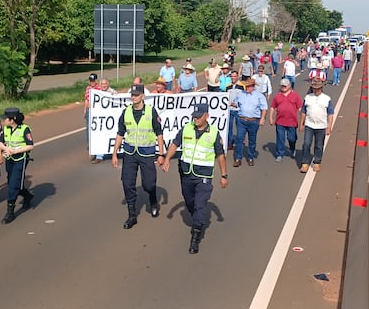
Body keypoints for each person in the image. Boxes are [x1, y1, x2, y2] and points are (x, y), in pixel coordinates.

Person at [163, 104, 228, 253]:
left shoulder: (213, 133)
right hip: (186, 173)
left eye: (199, 116)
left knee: (200, 205)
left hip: (203, 175)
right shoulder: (187, 128)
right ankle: (197, 218)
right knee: (189, 202)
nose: (196, 118)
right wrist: (167, 159)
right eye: (194, 115)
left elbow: (220, 155)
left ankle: (196, 236)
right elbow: (175, 144)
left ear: (207, 116)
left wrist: (224, 175)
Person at [111, 84, 165, 229]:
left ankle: (153, 200)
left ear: (143, 96)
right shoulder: (126, 112)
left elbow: (159, 133)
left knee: (149, 184)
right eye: (132, 94)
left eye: (136, 94)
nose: (133, 97)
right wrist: (115, 153)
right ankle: (132, 215)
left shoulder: (151, 112)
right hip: (129, 153)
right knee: (127, 183)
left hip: (146, 153)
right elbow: (120, 133)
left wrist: (161, 154)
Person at [0, 107, 35, 224]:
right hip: (10, 159)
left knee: (13, 185)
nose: (4, 121)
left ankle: (10, 211)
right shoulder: (6, 129)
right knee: (13, 182)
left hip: (20, 159)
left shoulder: (25, 129)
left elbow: (30, 145)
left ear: (12, 119)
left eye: (6, 119)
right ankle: (27, 196)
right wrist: (6, 149)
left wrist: (15, 151)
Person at [300, 74, 335, 173]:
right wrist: (301, 124)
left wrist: (329, 126)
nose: (316, 90)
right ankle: (305, 162)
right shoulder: (307, 97)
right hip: (309, 124)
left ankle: (317, 162)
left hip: (321, 126)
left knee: (319, 145)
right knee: (306, 144)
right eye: (314, 88)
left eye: (318, 88)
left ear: (321, 88)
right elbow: (303, 111)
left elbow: (330, 113)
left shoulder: (326, 99)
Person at [230, 78, 267, 167]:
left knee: (252, 140)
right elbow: (236, 104)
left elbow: (264, 108)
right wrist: (230, 104)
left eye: (248, 86)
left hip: (253, 121)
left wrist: (262, 118)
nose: (246, 88)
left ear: (253, 87)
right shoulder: (241, 94)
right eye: (246, 86)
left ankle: (250, 157)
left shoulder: (259, 96)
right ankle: (238, 158)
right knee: (239, 138)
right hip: (241, 120)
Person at [269, 79, 303, 162]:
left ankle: (292, 148)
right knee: (280, 138)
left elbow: (300, 108)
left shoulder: (295, 95)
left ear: (289, 86)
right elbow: (273, 107)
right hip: (280, 121)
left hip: (292, 122)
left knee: (292, 138)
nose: (283, 88)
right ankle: (280, 154)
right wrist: (271, 118)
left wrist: (303, 120)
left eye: (285, 86)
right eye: (282, 86)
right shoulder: (277, 96)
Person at [85, 73, 99, 163]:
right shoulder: (88, 88)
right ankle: (90, 144)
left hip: (96, 110)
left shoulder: (99, 88)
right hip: (89, 110)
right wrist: (85, 109)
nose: (92, 82)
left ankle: (95, 146)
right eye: (90, 81)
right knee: (88, 128)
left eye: (93, 81)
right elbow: (86, 99)